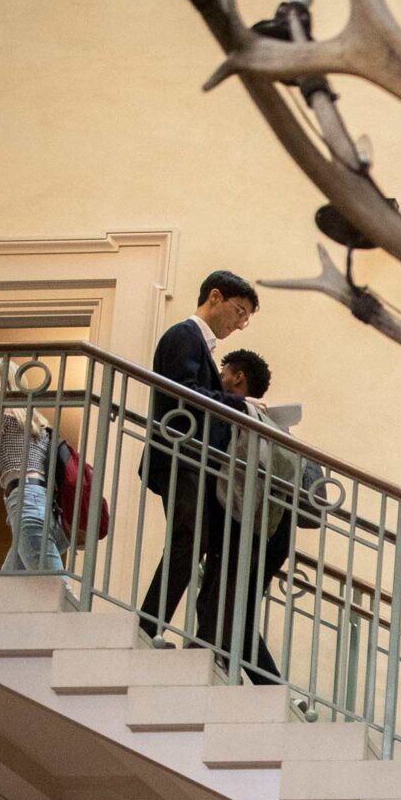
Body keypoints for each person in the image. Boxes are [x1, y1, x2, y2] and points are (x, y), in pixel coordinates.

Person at [139, 269, 258, 642]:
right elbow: (186, 393)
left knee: (195, 539)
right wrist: (239, 405)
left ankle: (150, 625)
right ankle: (146, 627)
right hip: (179, 452)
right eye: (239, 312)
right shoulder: (184, 335)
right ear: (215, 298)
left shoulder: (198, 343)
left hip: (191, 455)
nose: (240, 325)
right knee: (190, 538)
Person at [196, 346, 315, 682]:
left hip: (253, 528)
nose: (220, 381)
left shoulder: (244, 420)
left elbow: (244, 485)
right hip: (274, 531)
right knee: (236, 616)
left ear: (238, 378)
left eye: (224, 375)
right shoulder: (276, 424)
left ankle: (213, 658)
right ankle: (269, 689)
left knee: (222, 607)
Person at [0, 362, 63, 574]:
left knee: (52, 585)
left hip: (25, 500)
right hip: (43, 501)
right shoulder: (33, 421)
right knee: (6, 588)